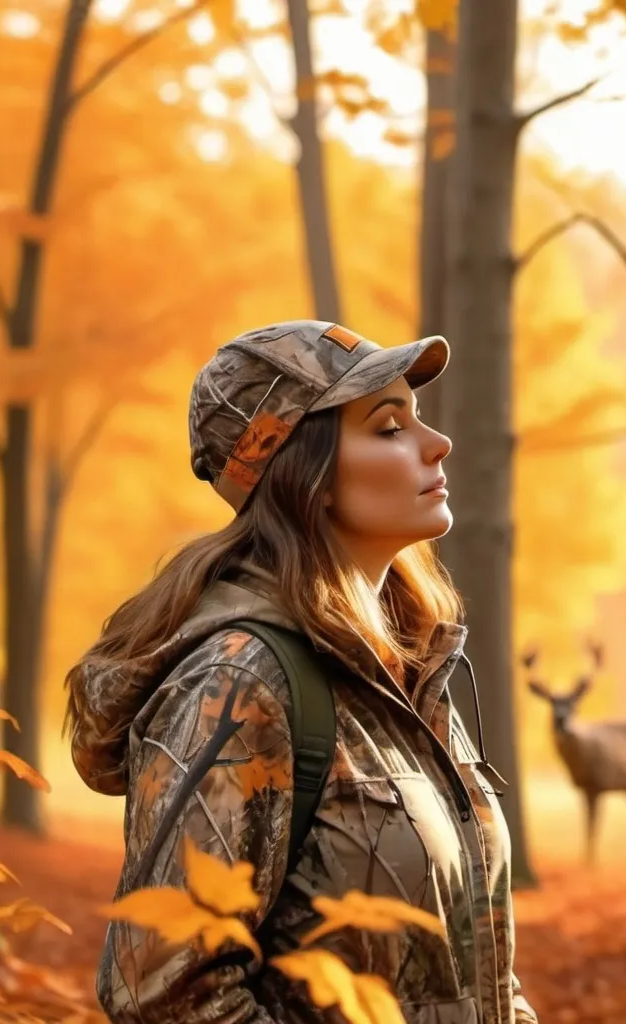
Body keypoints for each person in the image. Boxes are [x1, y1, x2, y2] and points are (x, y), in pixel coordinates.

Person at [64, 320, 538, 1024]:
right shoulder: (240, 685)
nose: (437, 445)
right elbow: (165, 995)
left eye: (419, 420)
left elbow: (480, 969)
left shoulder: (404, 668)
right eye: (388, 427)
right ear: (304, 475)